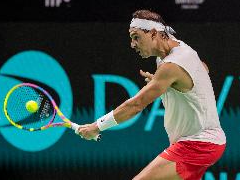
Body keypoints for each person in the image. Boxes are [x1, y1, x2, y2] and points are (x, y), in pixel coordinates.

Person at [77, 9, 226, 180]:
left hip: (198, 144)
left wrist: (96, 126)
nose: (132, 44)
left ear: (154, 33)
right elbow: (203, 68)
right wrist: (170, 82)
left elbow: (136, 105)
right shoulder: (177, 49)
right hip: (203, 143)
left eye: (136, 37)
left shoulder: (172, 64)